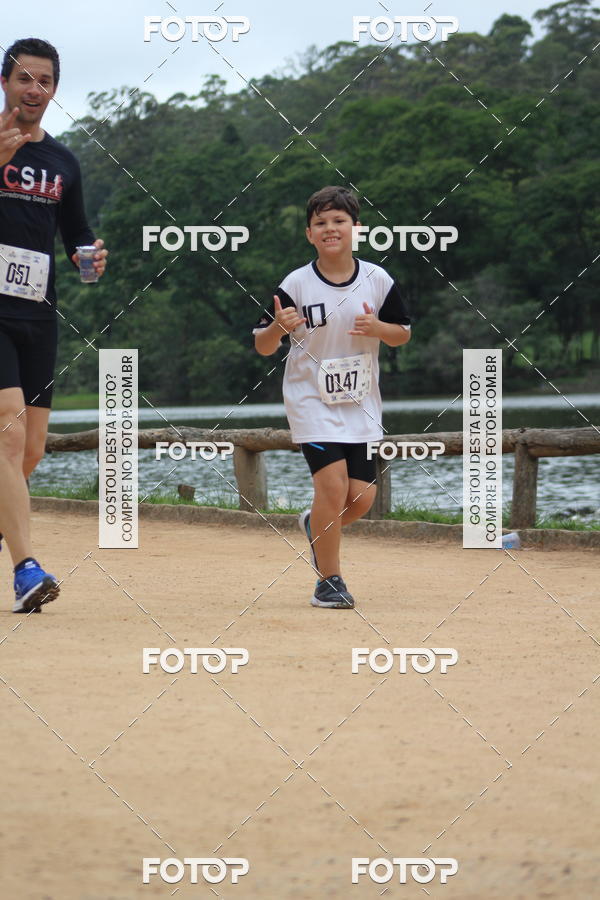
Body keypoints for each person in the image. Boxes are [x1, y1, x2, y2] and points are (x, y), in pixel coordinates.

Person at [254, 185, 411, 609]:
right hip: (310, 400)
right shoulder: (295, 284)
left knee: (361, 498)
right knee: (332, 486)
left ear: (356, 229)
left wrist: (379, 329)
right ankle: (330, 581)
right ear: (309, 233)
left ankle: (315, 525)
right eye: (320, 222)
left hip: (360, 402)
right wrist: (277, 329)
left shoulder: (378, 280)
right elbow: (263, 345)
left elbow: (402, 333)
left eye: (339, 221)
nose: (330, 229)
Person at [0, 38, 108, 613]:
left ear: (55, 90)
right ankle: (26, 572)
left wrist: (90, 258)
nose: (33, 90)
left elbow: (78, 238)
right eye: (24, 79)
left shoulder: (64, 163)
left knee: (31, 449)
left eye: (44, 81)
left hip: (38, 314)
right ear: (5, 83)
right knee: (8, 431)